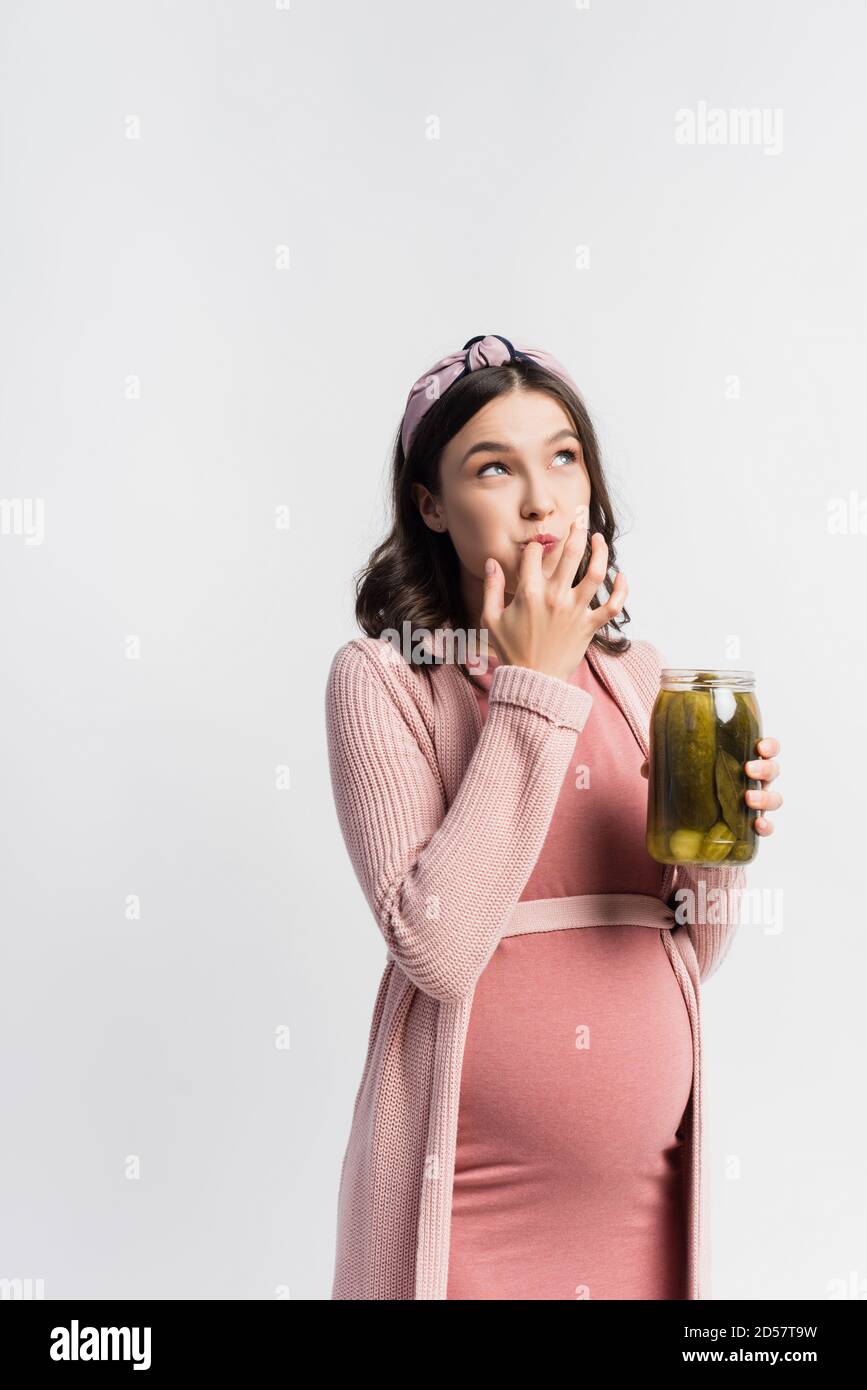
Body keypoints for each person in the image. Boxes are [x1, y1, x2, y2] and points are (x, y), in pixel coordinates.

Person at [324, 333, 783, 1300]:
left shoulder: (641, 677)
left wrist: (718, 846)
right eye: (494, 467)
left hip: (637, 1211)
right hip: (466, 1212)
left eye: (563, 457)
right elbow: (437, 947)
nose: (542, 499)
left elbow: (686, 950)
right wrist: (529, 685)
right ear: (431, 503)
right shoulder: (384, 681)